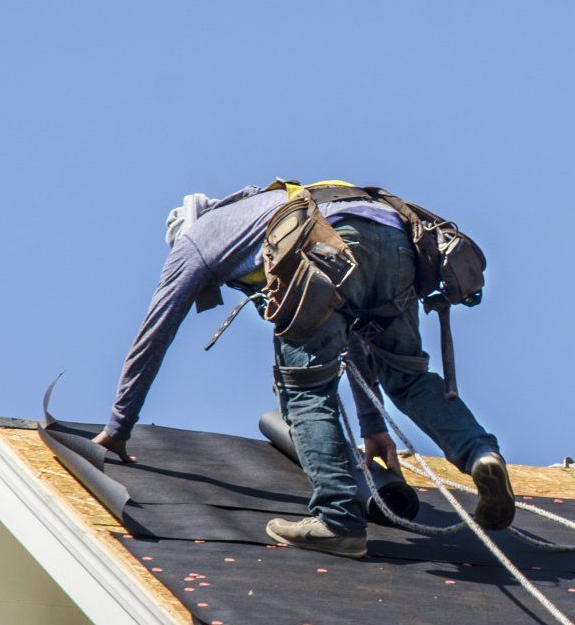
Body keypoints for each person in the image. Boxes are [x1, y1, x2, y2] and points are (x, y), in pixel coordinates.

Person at [92, 182, 514, 559]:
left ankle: (337, 520)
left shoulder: (195, 241)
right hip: (392, 237)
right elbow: (354, 322)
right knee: (409, 378)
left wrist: (119, 425)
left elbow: (155, 333)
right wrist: (372, 428)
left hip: (325, 244)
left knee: (306, 391)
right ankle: (481, 455)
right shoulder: (264, 206)